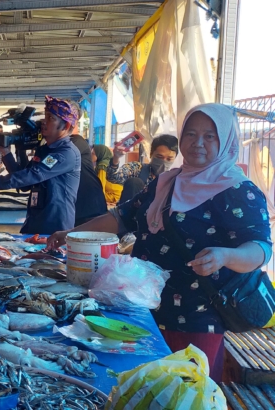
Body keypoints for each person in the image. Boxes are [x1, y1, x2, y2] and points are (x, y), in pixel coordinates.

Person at [47, 103, 272, 382]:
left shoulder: (239, 191)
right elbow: (122, 217)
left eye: (209, 136)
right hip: (142, 310)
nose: (197, 143)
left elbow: (261, 249)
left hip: (198, 318)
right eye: (190, 134)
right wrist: (71, 233)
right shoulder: (168, 182)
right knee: (142, 388)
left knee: (186, 391)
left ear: (226, 139)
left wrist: (225, 256)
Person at [0, 96, 81, 235]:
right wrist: (6, 152)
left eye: (50, 118)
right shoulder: (44, 149)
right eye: (45, 116)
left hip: (54, 227)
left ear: (65, 126)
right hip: (34, 221)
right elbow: (24, 185)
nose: (43, 122)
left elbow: (32, 175)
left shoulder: (66, 153)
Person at [65, 100, 107, 226]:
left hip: (89, 211)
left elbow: (41, 170)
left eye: (52, 118)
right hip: (77, 210)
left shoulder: (76, 143)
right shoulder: (56, 146)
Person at [107, 134, 178, 204]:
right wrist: (116, 158)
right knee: (134, 182)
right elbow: (114, 178)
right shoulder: (137, 168)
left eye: (169, 159)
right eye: (159, 157)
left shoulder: (176, 179)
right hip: (132, 211)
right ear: (151, 154)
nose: (164, 162)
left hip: (157, 213)